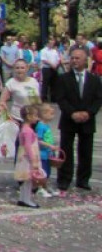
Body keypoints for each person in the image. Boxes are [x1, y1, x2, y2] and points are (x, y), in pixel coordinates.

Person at [54, 47, 101, 193]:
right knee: (66, 151)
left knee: (86, 151)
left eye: (77, 58)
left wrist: (89, 113)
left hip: (87, 120)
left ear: (85, 60)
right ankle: (64, 179)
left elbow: (98, 99)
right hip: (69, 120)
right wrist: (72, 113)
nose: (74, 61)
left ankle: (83, 180)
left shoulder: (94, 79)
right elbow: (60, 99)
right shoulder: (63, 78)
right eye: (72, 58)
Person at [15, 105, 43, 209]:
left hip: (25, 156)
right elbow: (27, 145)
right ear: (29, 117)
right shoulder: (27, 130)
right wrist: (33, 160)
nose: (37, 118)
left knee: (25, 179)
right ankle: (27, 199)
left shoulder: (25, 129)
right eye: (35, 115)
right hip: (27, 157)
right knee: (28, 179)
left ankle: (22, 198)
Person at [35, 103, 60, 198]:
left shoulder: (46, 125)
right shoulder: (41, 127)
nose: (53, 116)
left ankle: (45, 187)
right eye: (51, 114)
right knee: (43, 172)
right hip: (42, 154)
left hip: (47, 153)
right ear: (44, 114)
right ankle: (40, 188)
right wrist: (50, 146)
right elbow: (39, 140)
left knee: (47, 172)